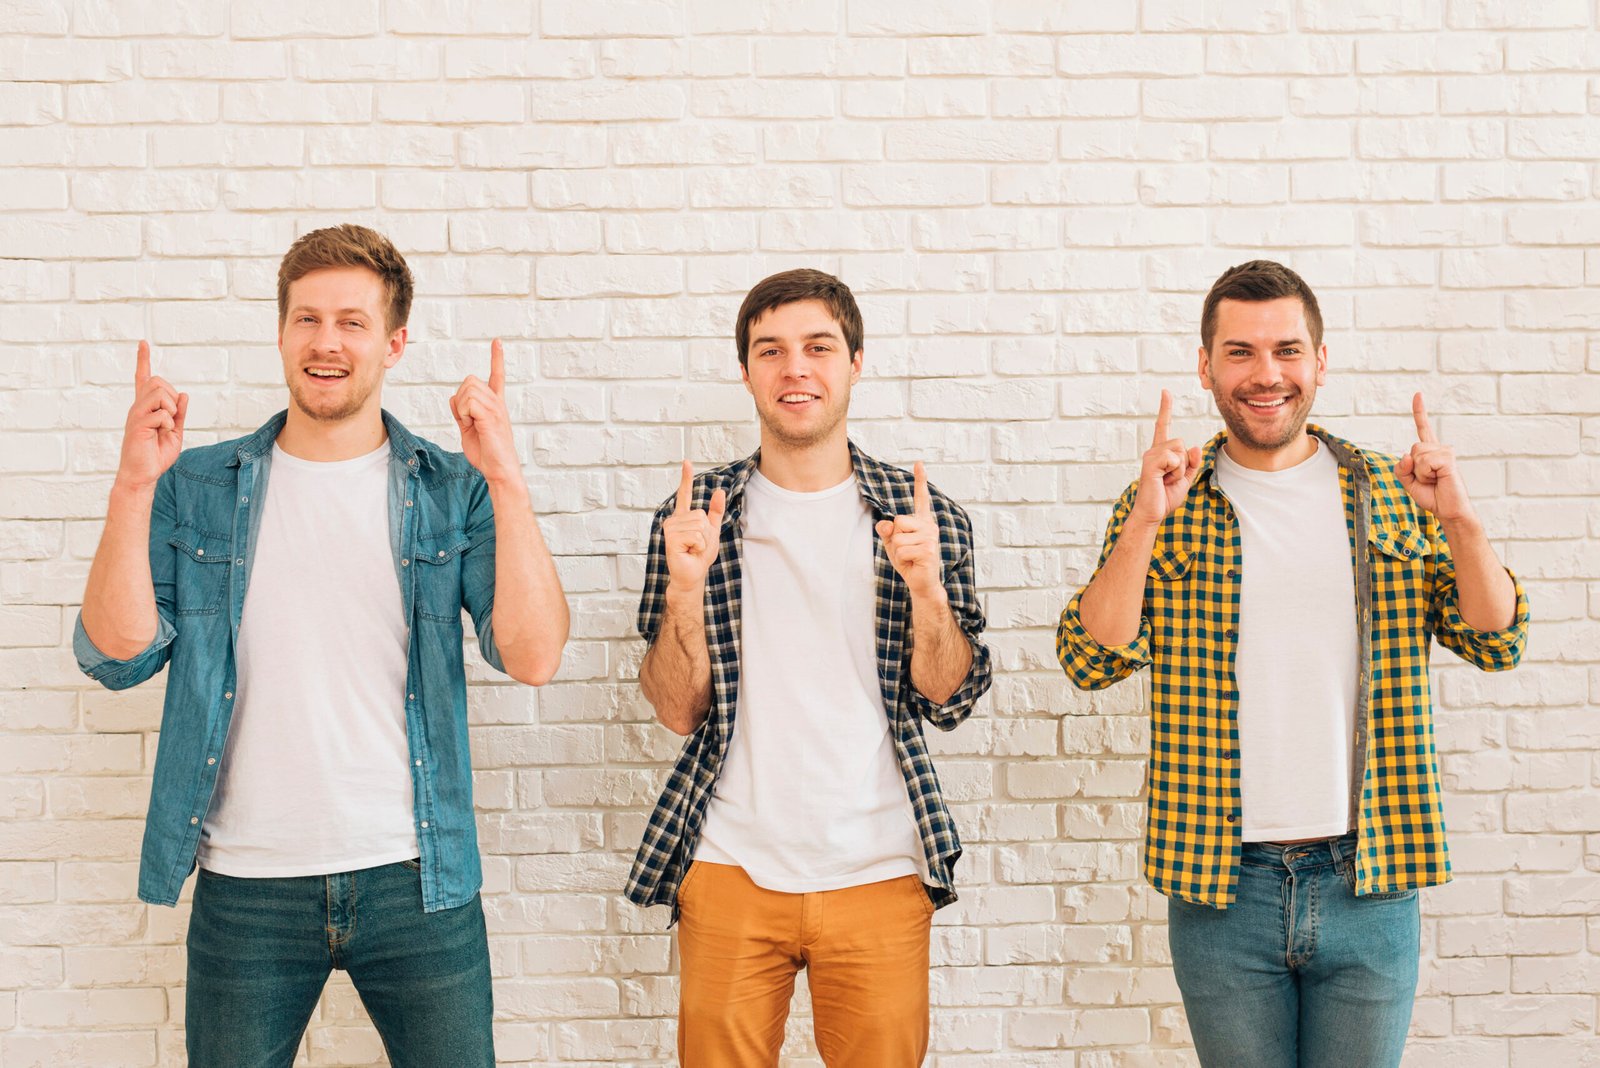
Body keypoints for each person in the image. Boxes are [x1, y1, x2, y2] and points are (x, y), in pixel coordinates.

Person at [74, 224, 569, 1067]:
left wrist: (507, 481)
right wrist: (132, 488)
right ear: (280, 335)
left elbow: (531, 655)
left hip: (418, 875)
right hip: (247, 882)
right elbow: (117, 655)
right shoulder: (193, 486)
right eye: (306, 320)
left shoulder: (451, 489)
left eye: (351, 321)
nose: (326, 342)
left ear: (394, 343)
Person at [1056, 260, 1528, 1067]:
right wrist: (1140, 526)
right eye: (1239, 352)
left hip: (1370, 878)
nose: (1265, 374)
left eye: (1286, 350)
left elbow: (1496, 640)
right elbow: (1090, 659)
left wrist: (1462, 524)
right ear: (1205, 366)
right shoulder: (1167, 503)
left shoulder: (1388, 488)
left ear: (1320, 361)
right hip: (1220, 886)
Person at [625, 268, 992, 1066]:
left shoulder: (921, 513)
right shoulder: (694, 516)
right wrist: (684, 594)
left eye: (818, 347)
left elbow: (951, 695)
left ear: (855, 363)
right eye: (771, 351)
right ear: (748, 371)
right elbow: (675, 708)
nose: (796, 369)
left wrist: (927, 592)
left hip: (881, 870)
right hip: (727, 867)